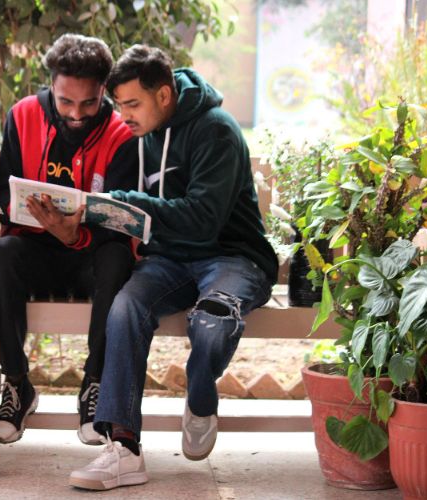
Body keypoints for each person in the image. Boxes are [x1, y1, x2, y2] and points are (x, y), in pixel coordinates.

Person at [69, 45, 278, 491]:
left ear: (164, 95)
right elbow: (133, 211)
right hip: (169, 261)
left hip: (232, 256)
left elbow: (203, 220)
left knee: (212, 319)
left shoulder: (215, 131)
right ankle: (122, 447)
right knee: (125, 309)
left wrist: (125, 202)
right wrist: (81, 212)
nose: (123, 115)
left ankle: (201, 396)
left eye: (132, 104)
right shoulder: (143, 134)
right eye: (118, 105)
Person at [0, 33, 137, 446]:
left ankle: (95, 388)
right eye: (65, 102)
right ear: (51, 83)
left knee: (116, 257)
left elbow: (124, 220)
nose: (75, 114)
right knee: (1, 252)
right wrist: (32, 215)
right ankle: (17, 385)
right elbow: (3, 191)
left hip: (91, 256)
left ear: (103, 91)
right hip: (36, 250)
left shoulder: (122, 131)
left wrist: (77, 231)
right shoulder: (21, 115)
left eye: (88, 104)